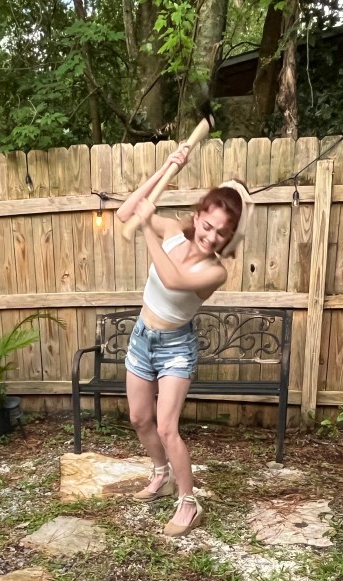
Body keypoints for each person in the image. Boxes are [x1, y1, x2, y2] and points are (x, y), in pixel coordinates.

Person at [116, 149, 252, 537]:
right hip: (142, 337)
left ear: (228, 238)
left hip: (176, 347)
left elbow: (173, 279)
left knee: (166, 427)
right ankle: (160, 474)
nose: (211, 236)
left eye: (220, 233)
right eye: (208, 225)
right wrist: (166, 168)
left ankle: (189, 503)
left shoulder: (215, 271)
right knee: (139, 419)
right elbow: (128, 211)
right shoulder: (174, 231)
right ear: (197, 217)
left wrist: (145, 228)